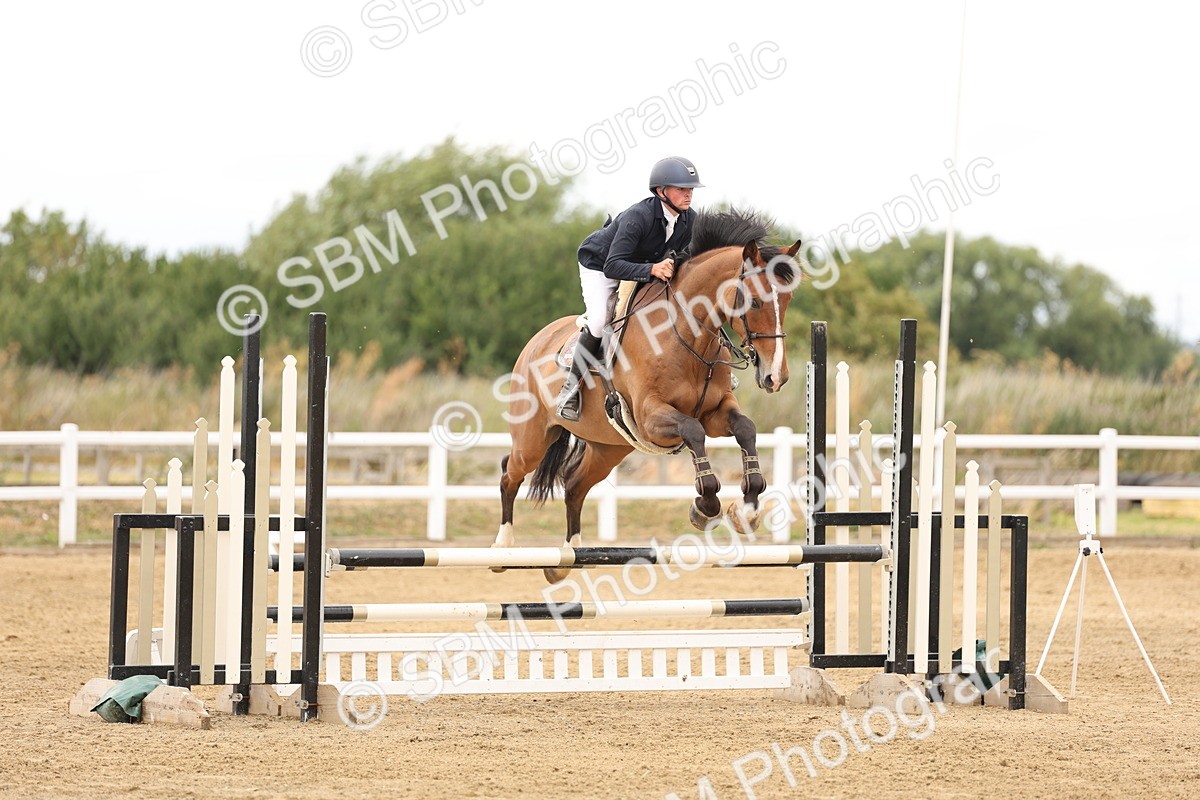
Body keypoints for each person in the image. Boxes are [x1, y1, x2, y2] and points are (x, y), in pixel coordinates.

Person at [556, 156, 703, 421]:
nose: (688, 194)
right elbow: (613, 265)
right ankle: (570, 389)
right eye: (682, 188)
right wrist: (652, 270)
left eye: (690, 189)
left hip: (641, 265)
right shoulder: (639, 217)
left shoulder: (688, 219)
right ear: (662, 191)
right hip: (601, 266)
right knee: (600, 319)